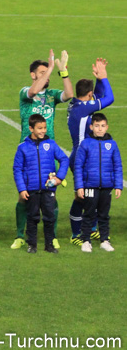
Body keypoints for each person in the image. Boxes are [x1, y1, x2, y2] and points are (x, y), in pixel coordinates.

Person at [12, 51, 73, 250]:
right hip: (28, 152)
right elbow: (33, 91)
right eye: (42, 72)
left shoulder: (52, 95)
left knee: (50, 196)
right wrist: (51, 68)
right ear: (33, 75)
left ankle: (51, 237)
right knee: (24, 196)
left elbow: (69, 94)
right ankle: (20, 235)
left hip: (48, 152)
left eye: (48, 73)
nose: (47, 76)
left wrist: (63, 71)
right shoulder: (25, 92)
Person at [66, 58, 113, 245]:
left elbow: (98, 97)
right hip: (81, 159)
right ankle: (75, 234)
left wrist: (99, 80)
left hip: (84, 155)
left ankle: (92, 229)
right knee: (82, 196)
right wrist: (104, 78)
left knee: (94, 193)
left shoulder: (76, 104)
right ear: (89, 94)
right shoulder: (83, 109)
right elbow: (109, 98)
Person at [14, 114, 69, 254]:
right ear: (31, 128)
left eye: (44, 128)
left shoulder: (51, 144)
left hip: (48, 189)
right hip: (31, 189)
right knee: (32, 217)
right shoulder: (23, 147)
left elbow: (64, 159)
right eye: (39, 128)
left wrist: (59, 178)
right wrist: (22, 189)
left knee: (49, 217)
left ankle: (49, 244)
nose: (43, 131)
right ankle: (32, 244)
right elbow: (17, 169)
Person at [74, 113, 121, 252]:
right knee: (88, 214)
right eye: (97, 126)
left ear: (107, 127)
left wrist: (118, 185)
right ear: (91, 127)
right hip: (90, 185)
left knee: (104, 214)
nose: (100, 129)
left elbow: (117, 165)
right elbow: (78, 166)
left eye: (102, 126)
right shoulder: (86, 144)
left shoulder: (112, 144)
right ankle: (86, 240)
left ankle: (105, 240)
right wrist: (79, 186)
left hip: (107, 186)